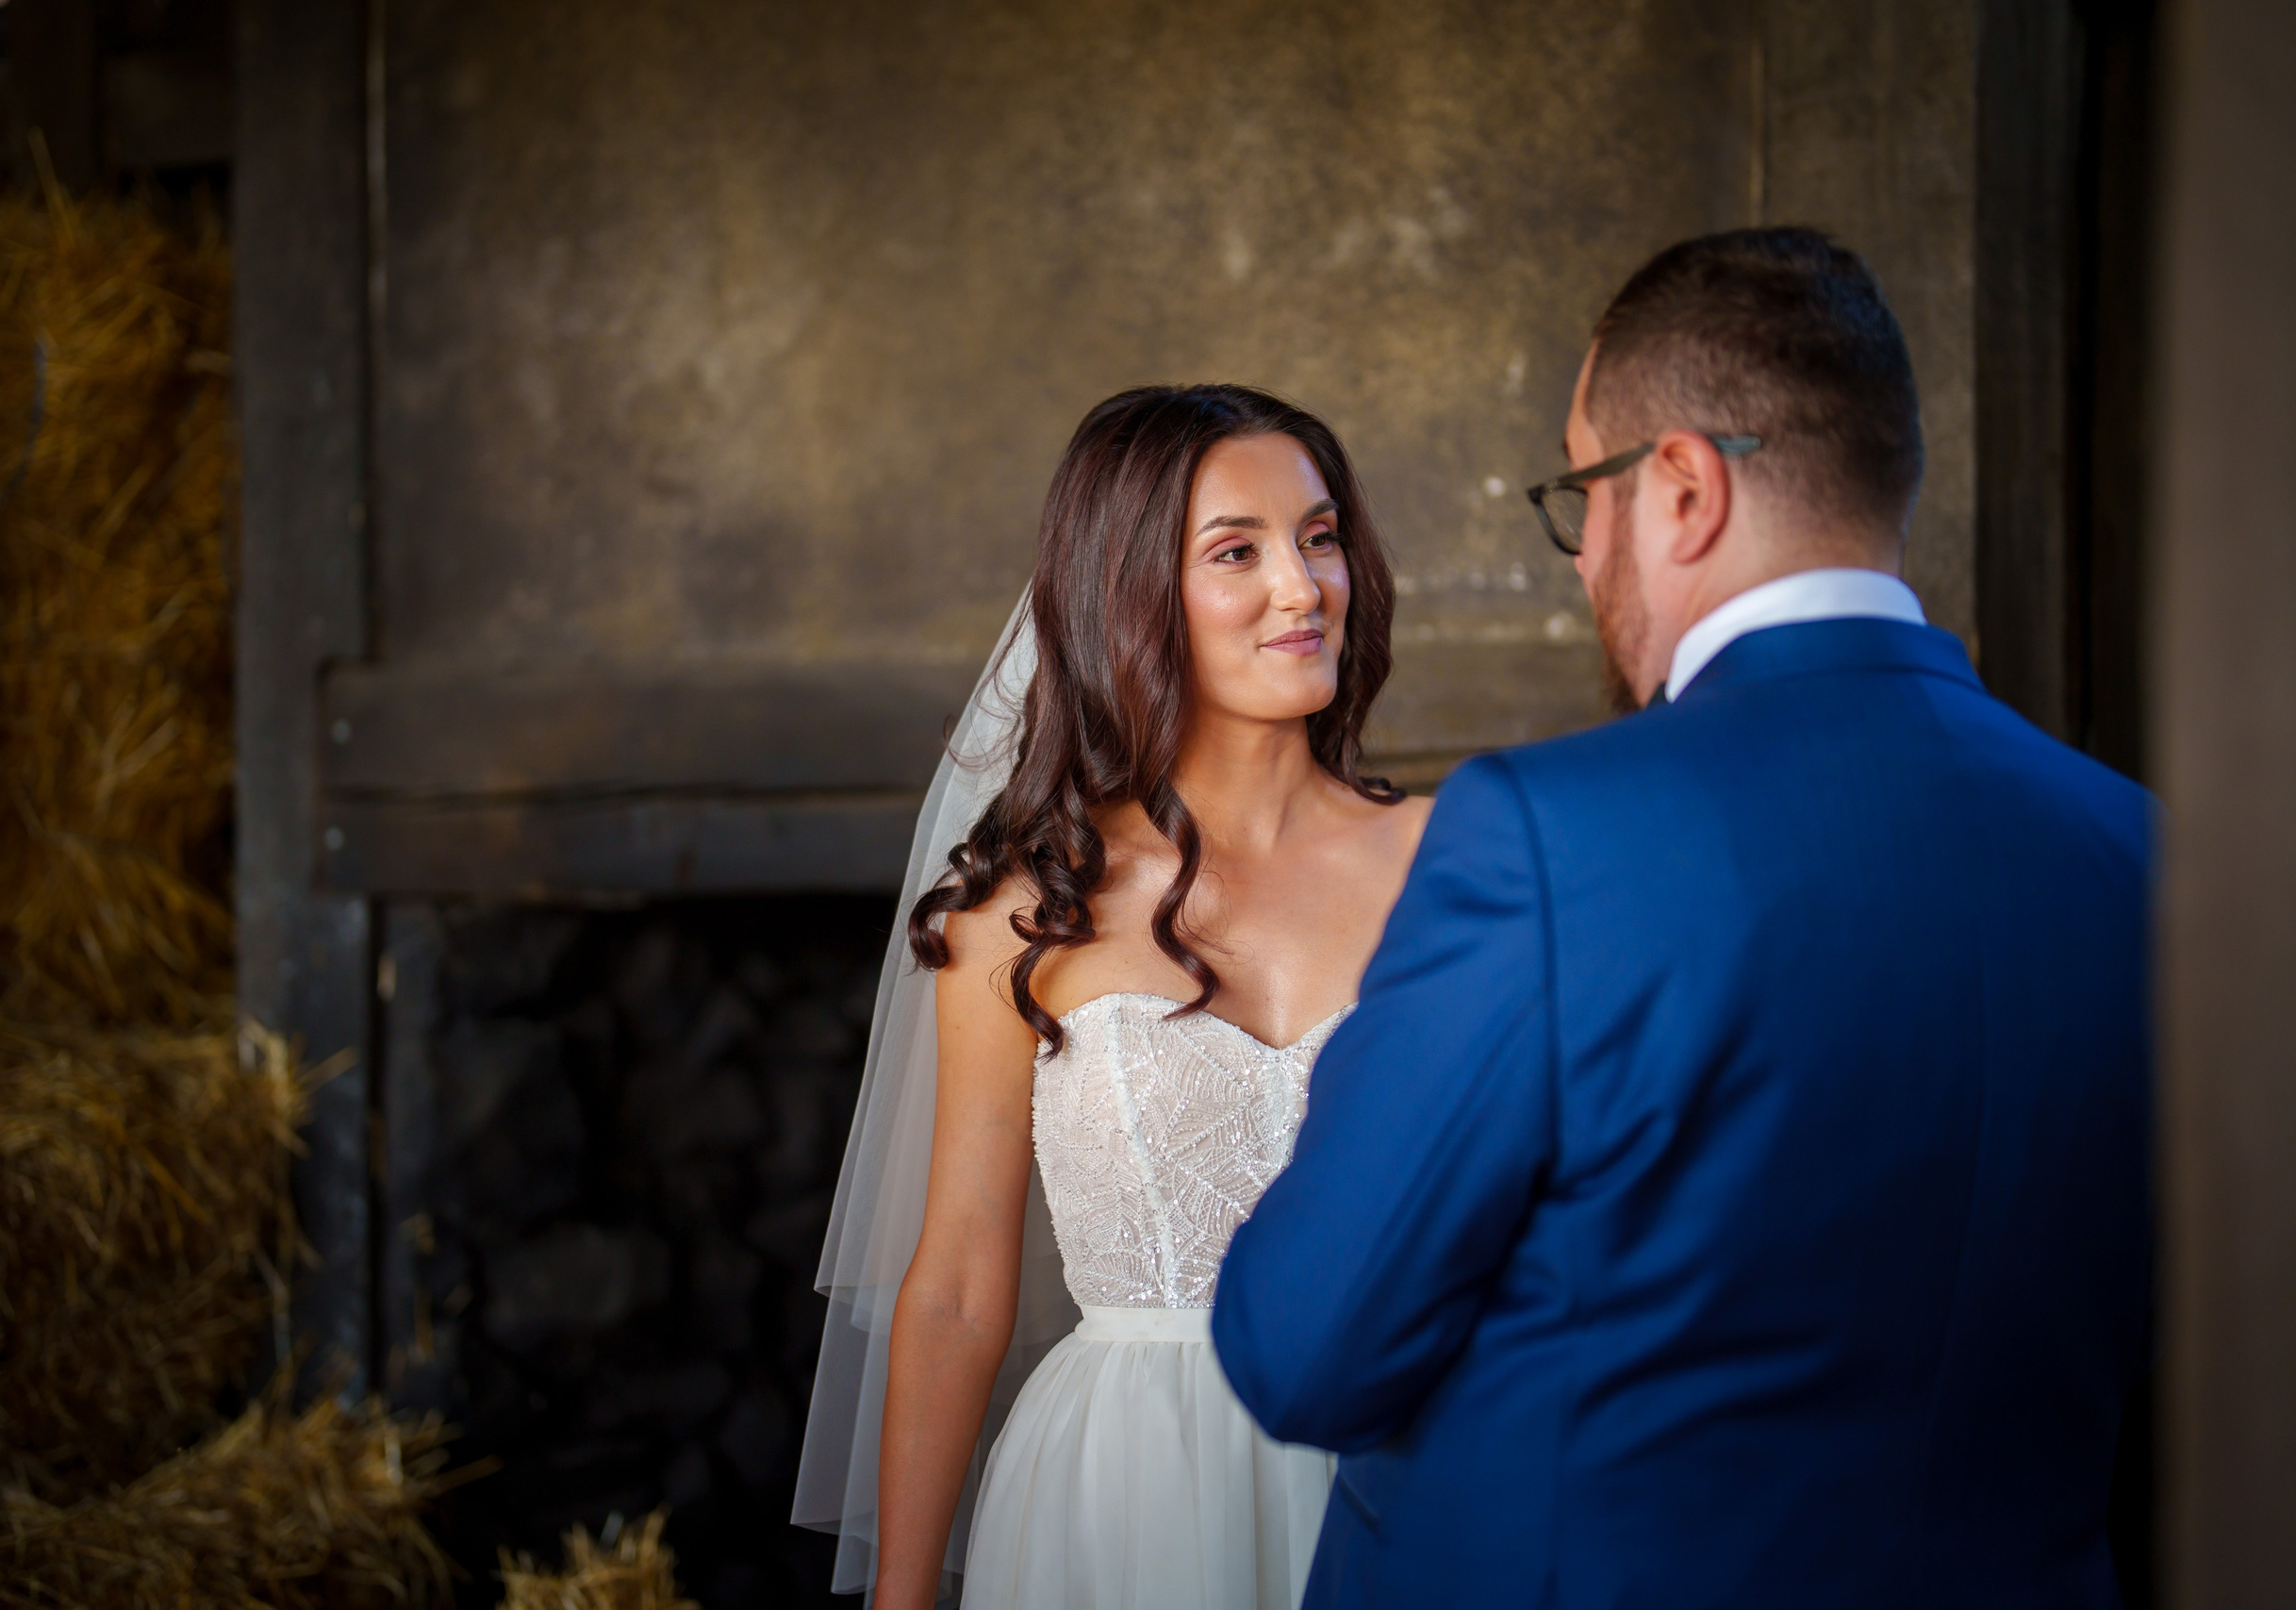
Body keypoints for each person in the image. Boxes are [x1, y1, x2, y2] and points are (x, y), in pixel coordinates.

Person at [1213, 227, 2154, 1608]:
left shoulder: (1548, 834)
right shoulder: (2140, 849)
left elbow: (1305, 1341)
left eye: (1583, 497)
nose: (1584, 559)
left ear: (1683, 490)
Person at [792, 383, 1434, 1608]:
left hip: (1406, 1463)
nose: (1304, 588)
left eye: (1320, 535)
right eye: (1237, 552)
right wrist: (903, 1598)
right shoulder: (1018, 914)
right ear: (1129, 591)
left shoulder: (1460, 868)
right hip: (1129, 1489)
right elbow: (959, 1283)